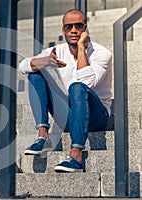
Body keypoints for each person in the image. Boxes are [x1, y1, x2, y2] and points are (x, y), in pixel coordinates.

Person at [19, 9, 112, 172]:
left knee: (76, 87)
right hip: (70, 116)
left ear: (85, 29)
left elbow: (85, 82)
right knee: (34, 74)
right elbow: (23, 66)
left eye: (78, 26)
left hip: (97, 116)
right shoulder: (58, 51)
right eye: (69, 27)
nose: (74, 30)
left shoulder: (102, 53)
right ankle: (42, 135)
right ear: (63, 30)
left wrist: (81, 48)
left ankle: (76, 154)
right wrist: (45, 61)